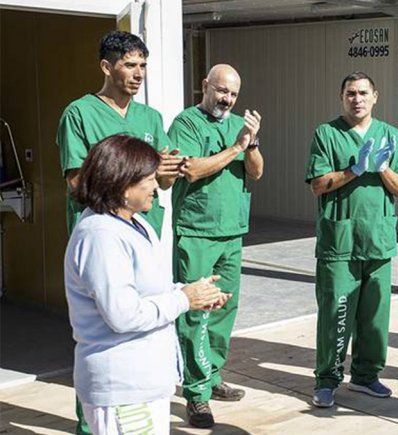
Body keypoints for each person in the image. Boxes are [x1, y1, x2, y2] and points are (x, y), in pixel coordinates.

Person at [56, 30, 184, 435]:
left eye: (143, 65)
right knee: (107, 330)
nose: (139, 73)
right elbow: (77, 183)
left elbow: (162, 183)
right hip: (109, 239)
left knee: (144, 327)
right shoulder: (79, 113)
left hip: (143, 233)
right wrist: (126, 176)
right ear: (106, 67)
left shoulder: (150, 118)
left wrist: (164, 173)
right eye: (130, 64)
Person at [64, 135, 228, 435]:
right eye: (150, 179)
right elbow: (123, 315)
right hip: (123, 388)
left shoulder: (134, 223)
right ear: (123, 184)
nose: (156, 186)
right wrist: (183, 300)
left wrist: (192, 293)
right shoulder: (100, 236)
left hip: (144, 384)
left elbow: (148, 289)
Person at [305, 71, 398, 408]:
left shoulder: (389, 135)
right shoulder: (326, 134)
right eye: (351, 93)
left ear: (375, 97)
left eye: (363, 93)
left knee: (374, 316)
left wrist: (381, 168)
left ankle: (366, 377)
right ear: (342, 97)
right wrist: (354, 170)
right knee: (336, 314)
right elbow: (317, 185)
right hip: (339, 242)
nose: (357, 99)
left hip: (377, 239)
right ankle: (327, 380)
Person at [168, 64, 264, 428]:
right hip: (197, 231)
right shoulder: (186, 123)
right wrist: (236, 146)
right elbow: (191, 169)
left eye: (234, 94)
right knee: (196, 312)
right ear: (205, 85)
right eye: (222, 91)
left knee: (224, 310)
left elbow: (256, 171)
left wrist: (252, 143)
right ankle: (196, 394)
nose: (227, 99)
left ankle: (211, 375)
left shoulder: (239, 124)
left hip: (231, 232)